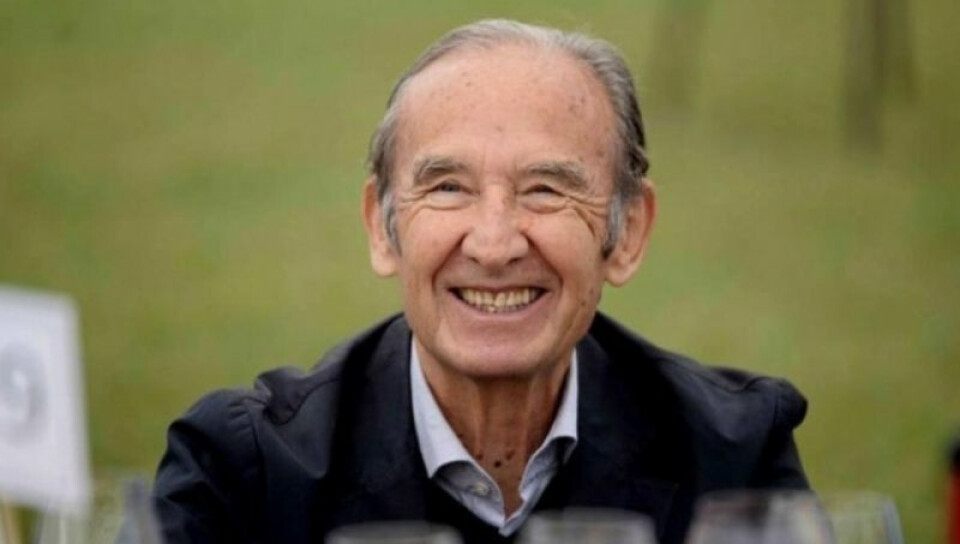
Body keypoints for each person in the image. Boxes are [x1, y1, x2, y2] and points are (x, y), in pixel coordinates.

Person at [152, 19, 808, 544]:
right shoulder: (244, 474)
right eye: (448, 187)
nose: (494, 246)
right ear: (383, 227)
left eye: (546, 189)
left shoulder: (733, 458)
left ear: (627, 232)